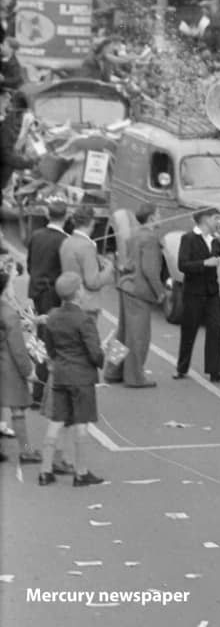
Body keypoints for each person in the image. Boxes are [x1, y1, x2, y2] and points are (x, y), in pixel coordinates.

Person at [38, 273, 105, 487]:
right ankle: (81, 472)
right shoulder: (84, 320)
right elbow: (94, 354)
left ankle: (45, 470)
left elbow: (50, 347)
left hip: (60, 373)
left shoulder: (53, 316)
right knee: (81, 423)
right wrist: (104, 355)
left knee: (56, 420)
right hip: (81, 376)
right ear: (77, 293)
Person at [174, 208, 220, 384]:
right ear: (204, 219)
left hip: (211, 292)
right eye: (215, 217)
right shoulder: (188, 239)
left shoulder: (215, 239)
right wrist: (205, 263)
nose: (218, 221)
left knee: (215, 330)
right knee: (189, 329)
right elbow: (182, 265)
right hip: (193, 292)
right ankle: (182, 367)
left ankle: (216, 371)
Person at [112, 202, 166, 388]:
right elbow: (150, 270)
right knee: (138, 337)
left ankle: (112, 370)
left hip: (126, 285)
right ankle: (135, 377)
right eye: (159, 214)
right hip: (139, 290)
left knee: (122, 333)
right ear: (151, 218)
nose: (161, 217)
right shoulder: (150, 238)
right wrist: (160, 292)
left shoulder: (135, 234)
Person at [25, 200, 69, 405]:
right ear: (66, 216)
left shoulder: (36, 236)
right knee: (48, 339)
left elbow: (29, 264)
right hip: (52, 294)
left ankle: (40, 388)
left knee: (40, 336)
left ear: (47, 214)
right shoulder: (64, 240)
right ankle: (40, 392)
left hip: (36, 290)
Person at [1, 266, 41, 464]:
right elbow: (18, 349)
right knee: (18, 412)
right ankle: (26, 451)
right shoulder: (8, 314)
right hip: (8, 368)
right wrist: (29, 371)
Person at [58, 205, 114, 320]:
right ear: (91, 222)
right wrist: (109, 268)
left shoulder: (67, 242)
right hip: (85, 306)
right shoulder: (87, 247)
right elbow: (92, 282)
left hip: (69, 301)